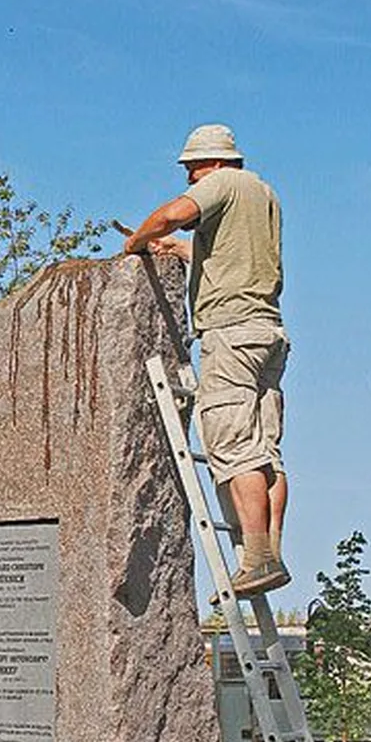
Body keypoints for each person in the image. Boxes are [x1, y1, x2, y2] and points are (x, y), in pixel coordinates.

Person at [120, 122, 291, 597]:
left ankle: (255, 559)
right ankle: (268, 551)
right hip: (266, 332)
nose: (188, 179)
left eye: (190, 169)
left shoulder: (220, 183)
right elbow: (226, 256)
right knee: (266, 453)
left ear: (210, 162)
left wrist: (137, 241)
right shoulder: (262, 193)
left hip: (230, 334)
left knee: (233, 448)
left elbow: (173, 214)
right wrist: (176, 248)